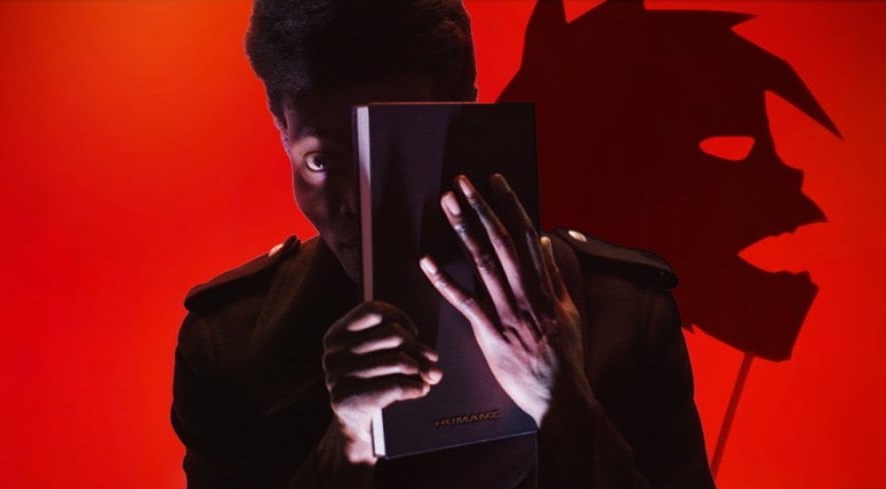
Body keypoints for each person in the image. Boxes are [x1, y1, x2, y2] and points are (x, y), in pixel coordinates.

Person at [170, 0, 716, 487]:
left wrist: (566, 406)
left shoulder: (627, 311)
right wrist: (348, 448)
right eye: (321, 162)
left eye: (394, 152)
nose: (357, 202)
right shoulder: (225, 345)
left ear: (464, 111)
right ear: (282, 132)